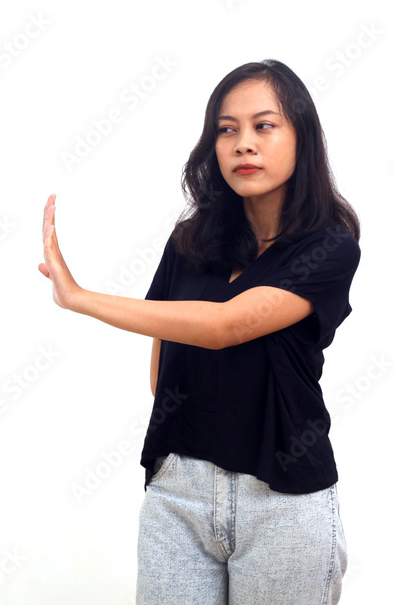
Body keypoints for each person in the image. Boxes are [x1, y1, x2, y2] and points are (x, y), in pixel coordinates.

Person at [38, 58, 361, 604]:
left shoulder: (328, 246)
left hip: (282, 500)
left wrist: (81, 298)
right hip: (178, 495)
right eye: (226, 130)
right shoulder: (190, 241)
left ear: (301, 137)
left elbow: (228, 325)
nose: (243, 144)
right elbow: (164, 358)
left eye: (264, 125)